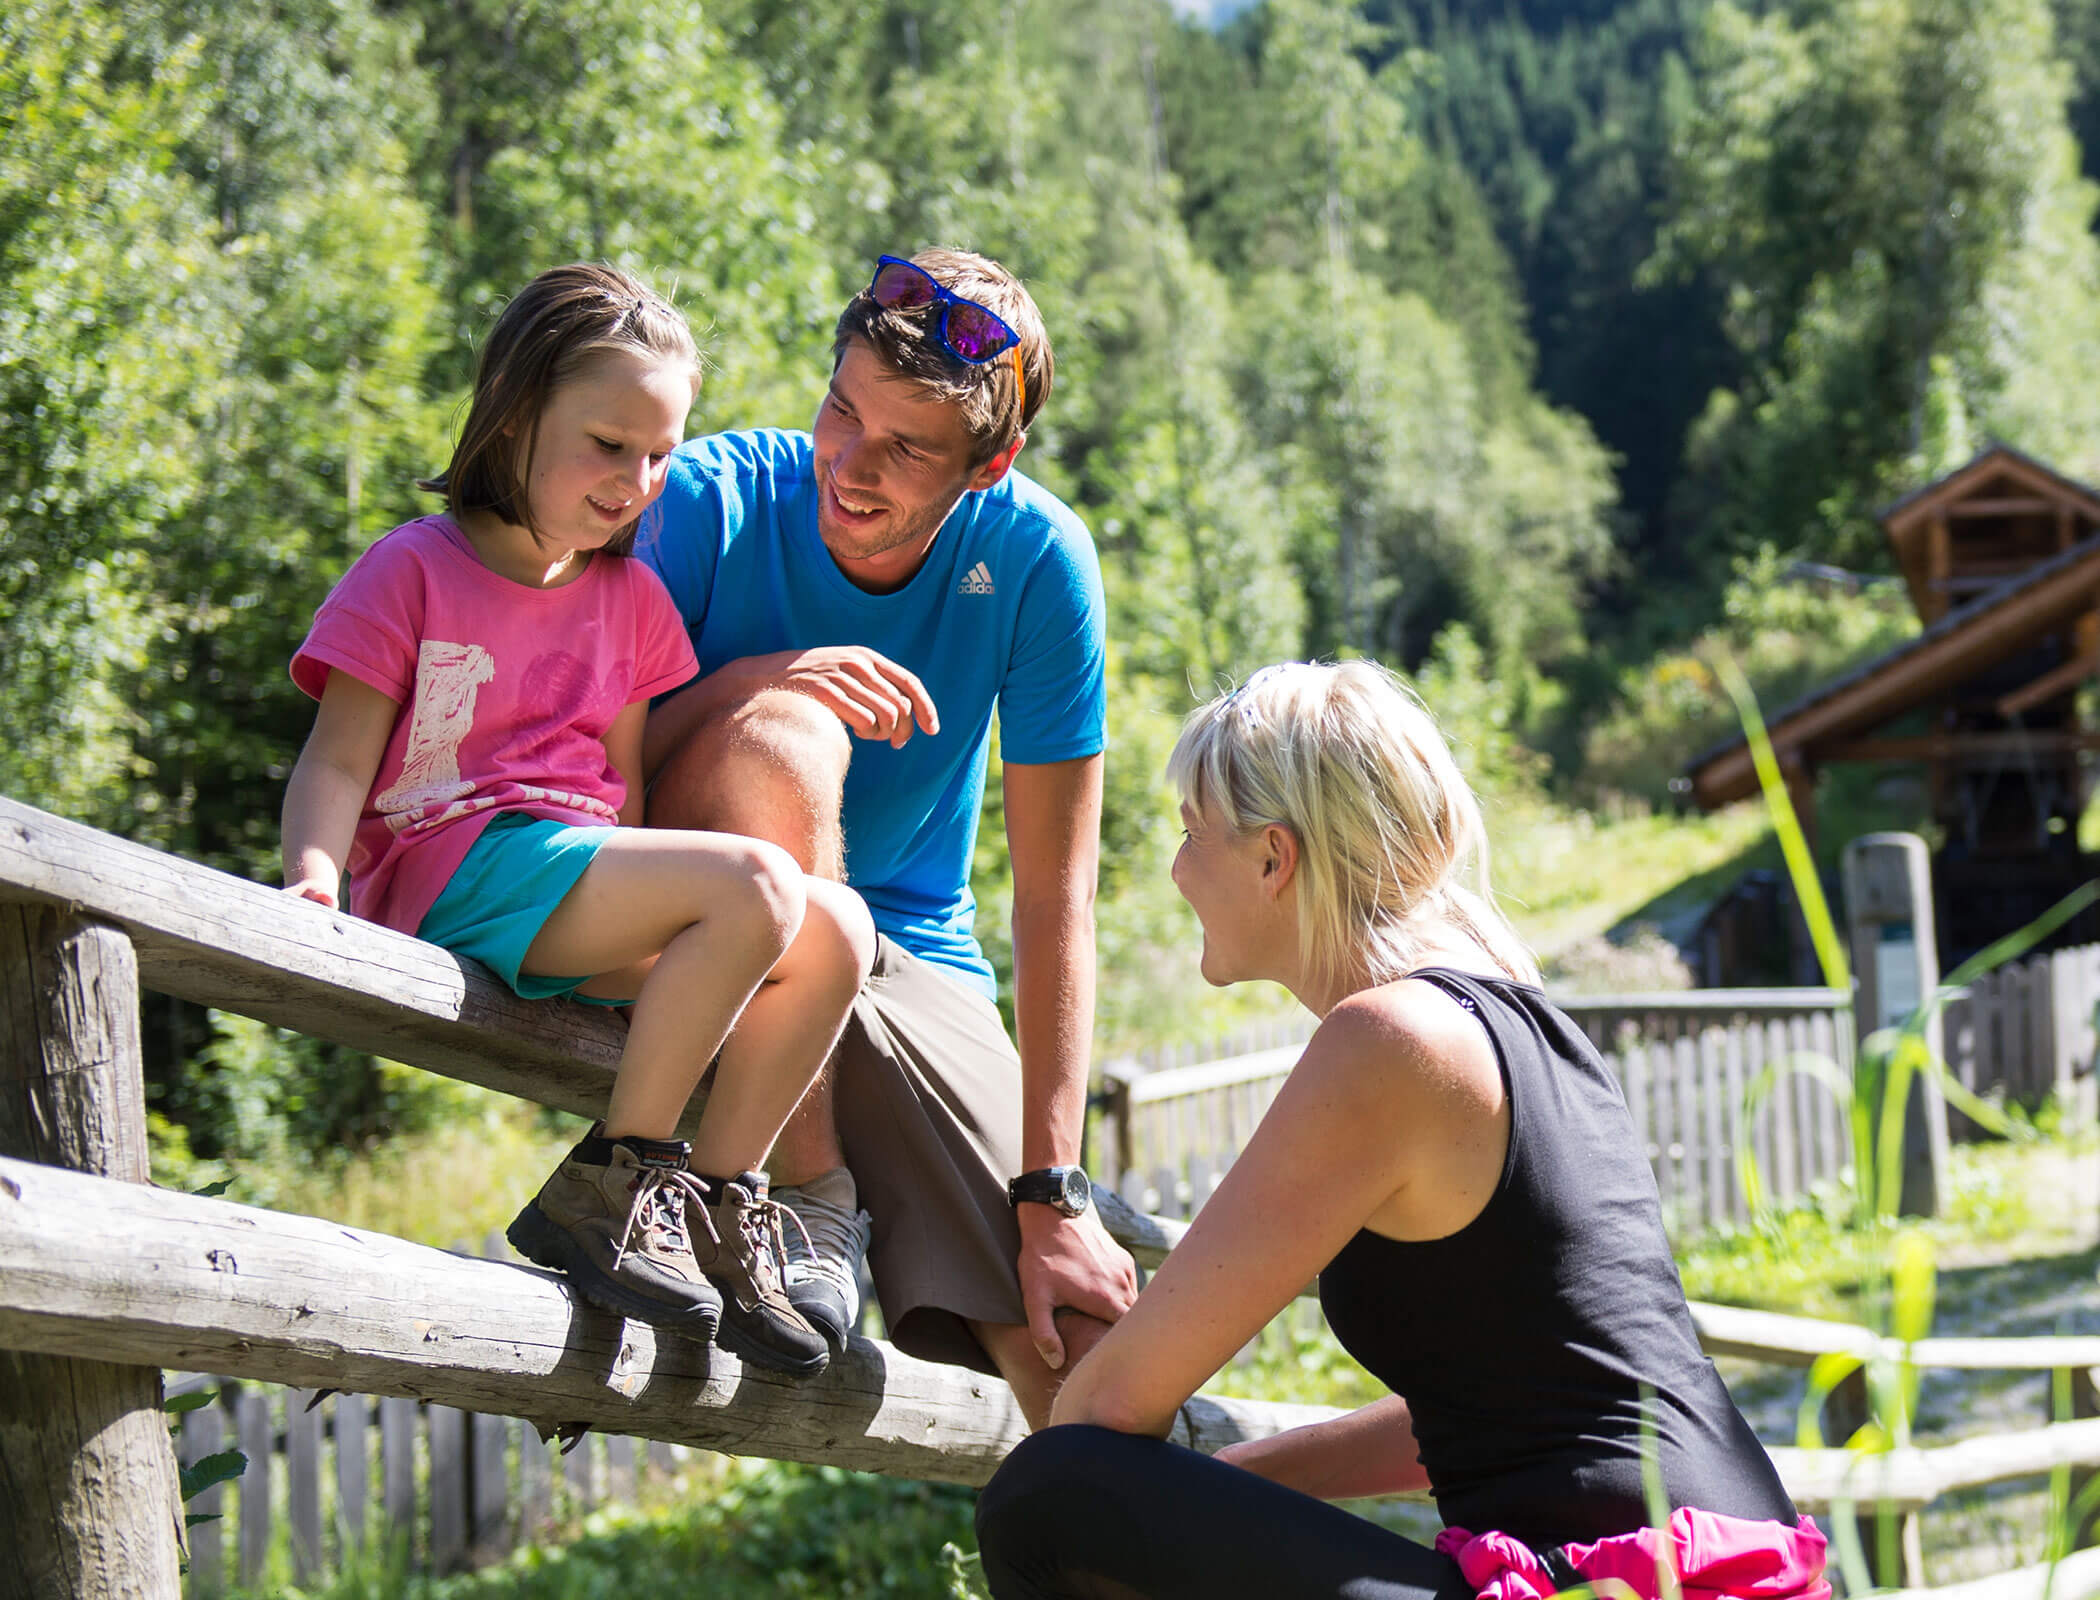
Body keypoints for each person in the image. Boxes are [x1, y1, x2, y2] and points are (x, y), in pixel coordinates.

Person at [973, 661, 1830, 1600]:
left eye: (1189, 835)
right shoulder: (1513, 1019)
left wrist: (1159, 1486)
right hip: (1715, 1559)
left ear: (1274, 857)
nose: (1176, 869)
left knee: (1051, 1496)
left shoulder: (1391, 1041)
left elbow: (1105, 1407)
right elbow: (1504, 1405)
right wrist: (1233, 1482)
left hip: (1641, 1580)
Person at [281, 263, 875, 1380]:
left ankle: (709, 1200)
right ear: (514, 411)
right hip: (452, 865)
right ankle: (615, 1179)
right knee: (757, 881)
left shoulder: (634, 605)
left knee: (838, 927)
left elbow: (626, 800)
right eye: (609, 444)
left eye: (658, 456)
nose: (637, 479)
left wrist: (683, 940)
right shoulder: (413, 569)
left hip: (573, 885)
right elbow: (337, 759)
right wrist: (314, 875)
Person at [638, 248, 1138, 1421]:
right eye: (842, 410)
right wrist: (766, 677)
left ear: (991, 464)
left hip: (912, 953)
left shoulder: (1035, 559)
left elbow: (1056, 896)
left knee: (1079, 1329)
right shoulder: (710, 502)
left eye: (907, 448)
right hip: (707, 922)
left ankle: (1104, 1525)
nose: (850, 467)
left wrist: (1055, 1188)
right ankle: (811, 1195)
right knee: (790, 738)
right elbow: (596, 777)